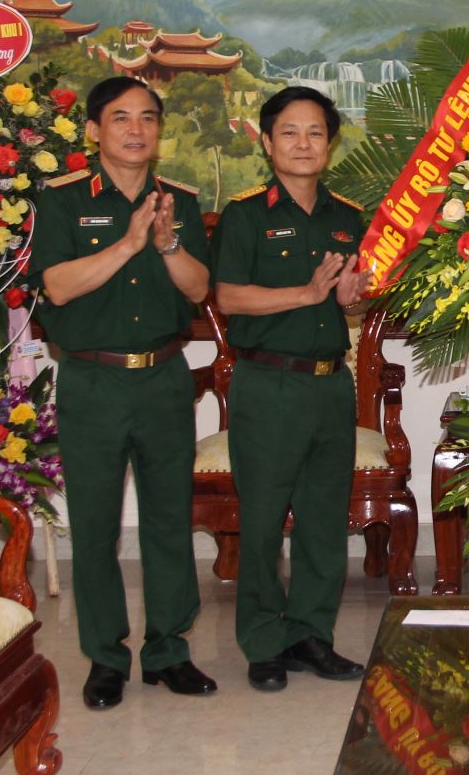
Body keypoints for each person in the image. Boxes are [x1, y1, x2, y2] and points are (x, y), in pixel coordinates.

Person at [30, 76, 215, 709]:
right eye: (120, 118)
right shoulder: (62, 200)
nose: (136, 130)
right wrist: (129, 242)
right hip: (92, 380)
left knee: (168, 520)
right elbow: (57, 287)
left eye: (147, 118)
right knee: (94, 525)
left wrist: (165, 243)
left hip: (163, 378)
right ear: (94, 130)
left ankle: (168, 651)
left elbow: (198, 290)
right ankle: (105, 658)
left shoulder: (180, 202)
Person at [211, 86, 371, 691]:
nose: (303, 144)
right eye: (289, 132)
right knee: (262, 521)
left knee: (324, 521)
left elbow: (349, 302)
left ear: (329, 144)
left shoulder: (346, 217)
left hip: (331, 386)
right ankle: (262, 641)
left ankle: (311, 635)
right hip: (268, 384)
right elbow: (229, 298)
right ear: (267, 141)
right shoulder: (247, 215)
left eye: (315, 133)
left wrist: (348, 299)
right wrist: (304, 293)